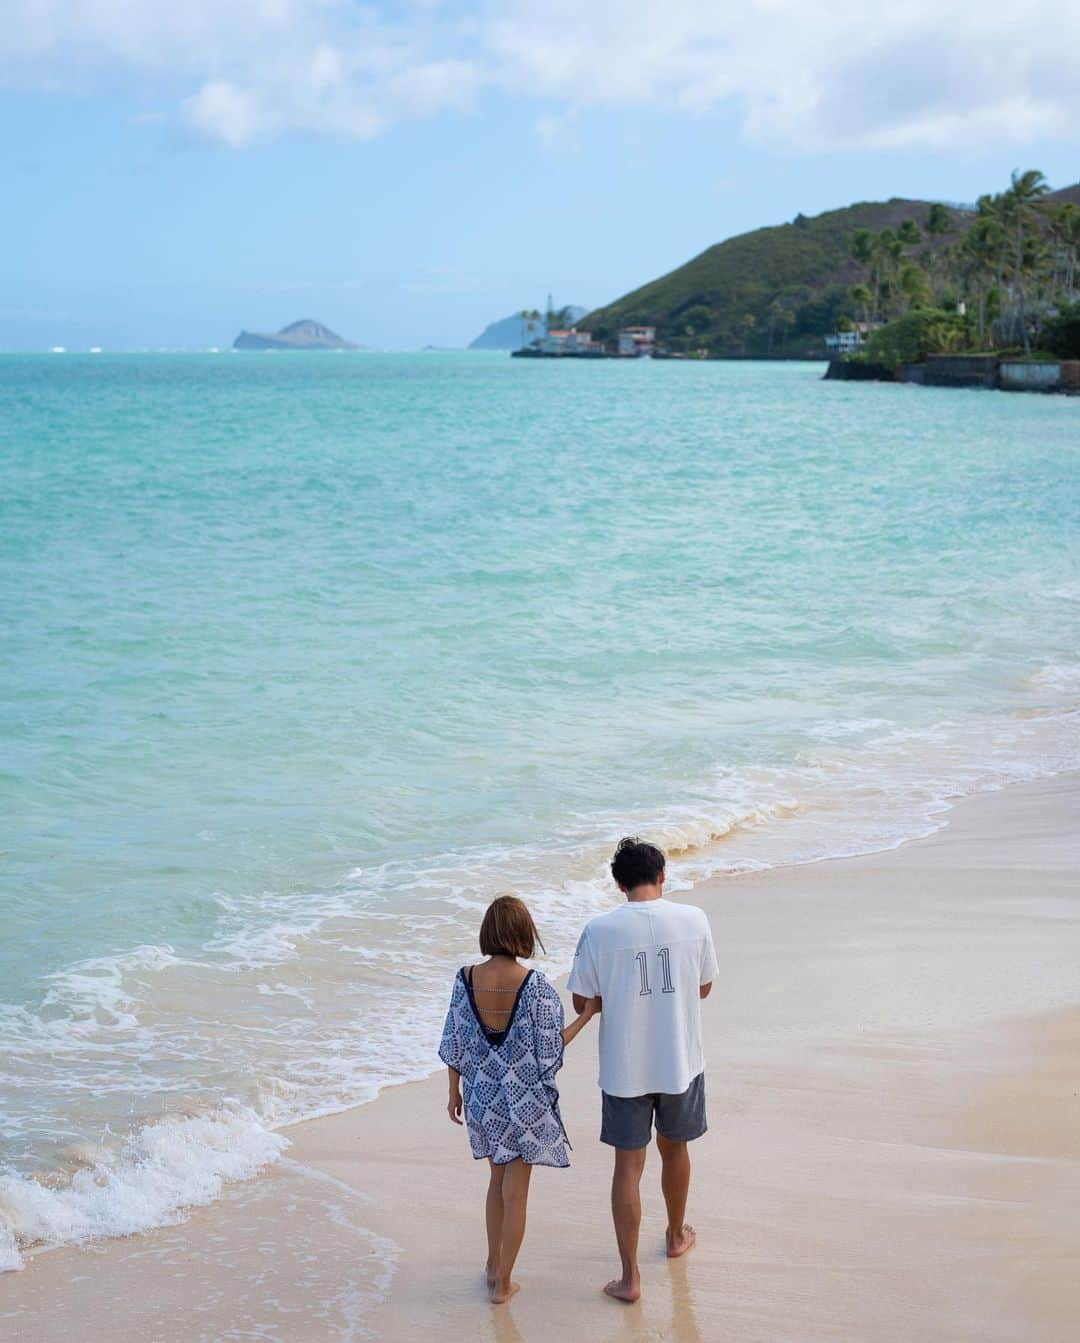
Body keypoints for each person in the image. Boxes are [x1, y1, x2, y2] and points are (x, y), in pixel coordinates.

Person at [567, 837, 719, 1303]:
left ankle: (630, 1278)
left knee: (627, 1167)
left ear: (618, 884)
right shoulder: (693, 920)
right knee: (676, 1150)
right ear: (662, 877)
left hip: (624, 1067)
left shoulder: (599, 929)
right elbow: (704, 988)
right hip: (679, 1059)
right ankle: (675, 1234)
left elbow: (581, 1001)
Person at [440, 894, 599, 1304]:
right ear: (524, 933)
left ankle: (493, 1264)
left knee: (496, 1181)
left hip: (482, 1098)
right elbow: (551, 1050)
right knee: (517, 1192)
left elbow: (454, 1042)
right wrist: (586, 1016)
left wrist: (453, 1092)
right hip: (524, 1104)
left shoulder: (464, 979)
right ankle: (503, 1283)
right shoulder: (535, 987)